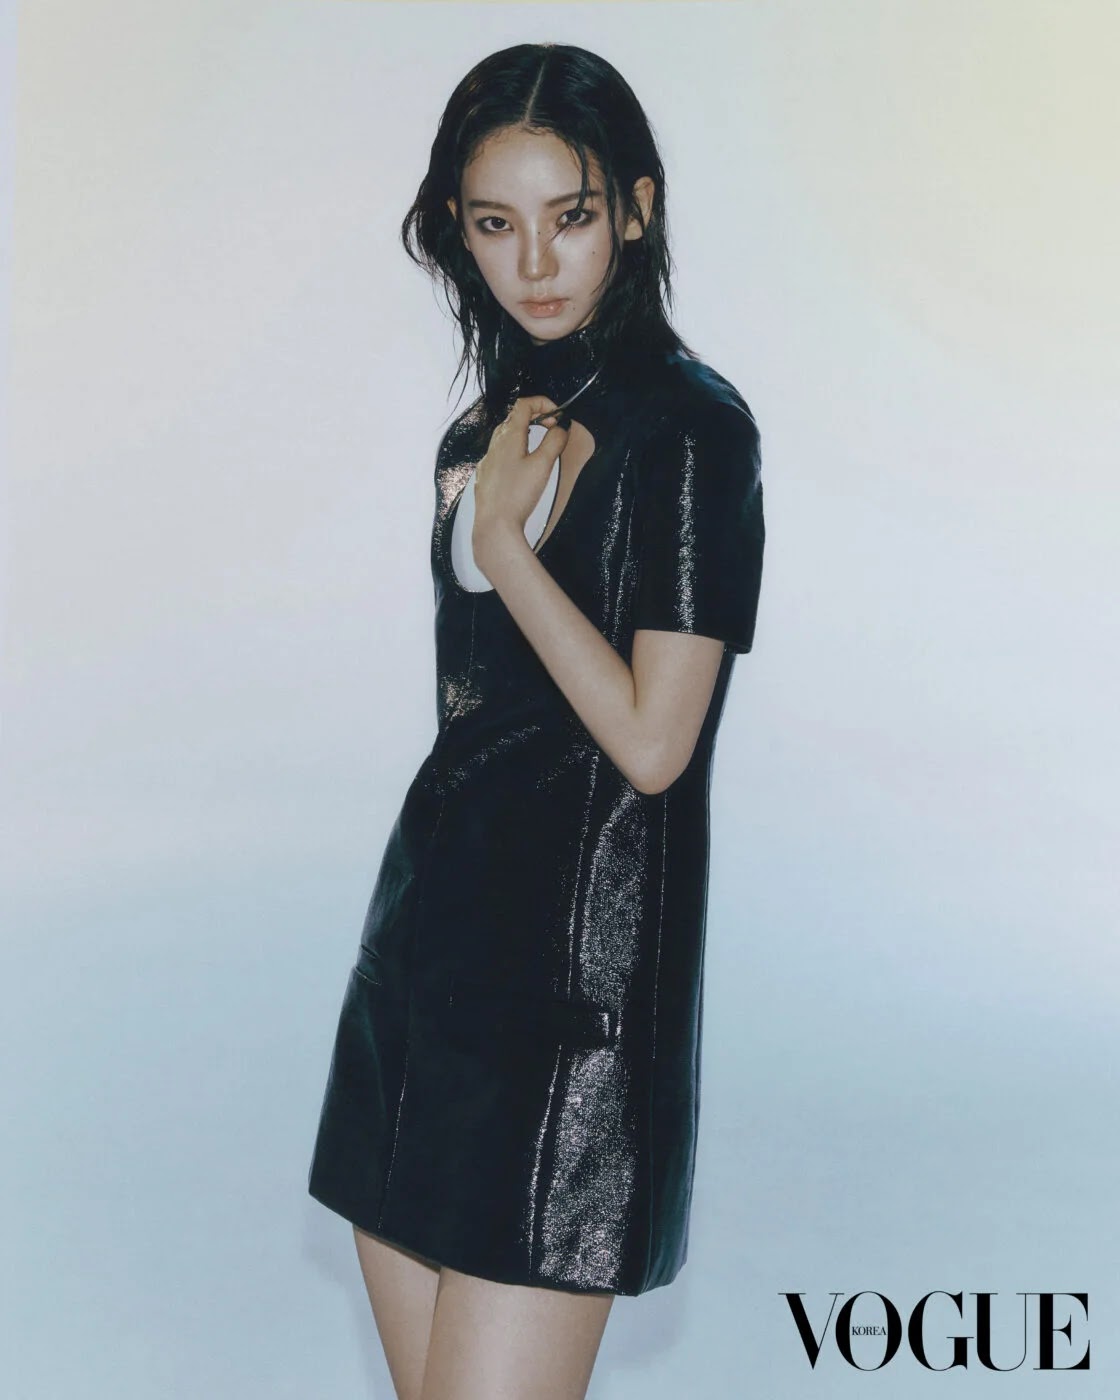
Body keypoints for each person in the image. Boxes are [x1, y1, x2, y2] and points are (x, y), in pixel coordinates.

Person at [308, 40, 765, 1400]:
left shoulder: (691, 433)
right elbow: (483, 724)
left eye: (570, 215)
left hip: (572, 1020)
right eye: (496, 225)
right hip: (417, 982)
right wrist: (491, 516)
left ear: (635, 208)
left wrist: (506, 550)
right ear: (457, 231)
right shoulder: (479, 439)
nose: (538, 262)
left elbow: (653, 746)